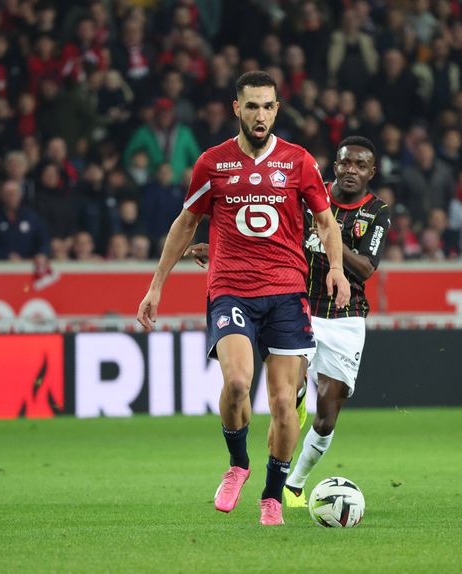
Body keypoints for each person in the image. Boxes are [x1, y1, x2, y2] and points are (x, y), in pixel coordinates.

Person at [136, 71, 350, 526]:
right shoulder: (213, 163)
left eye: (267, 106)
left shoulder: (299, 161)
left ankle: (272, 497)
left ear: (277, 110)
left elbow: (326, 221)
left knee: (284, 403)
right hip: (231, 289)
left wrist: (335, 267)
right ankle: (238, 464)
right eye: (251, 106)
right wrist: (157, 285)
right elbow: (186, 223)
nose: (260, 115)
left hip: (287, 293)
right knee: (236, 383)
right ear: (237, 108)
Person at [187, 136, 390, 509]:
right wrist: (217, 250)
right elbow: (270, 236)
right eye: (345, 163)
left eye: (360, 165)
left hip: (345, 317)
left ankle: (295, 483)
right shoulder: (308, 192)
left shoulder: (377, 212)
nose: (351, 170)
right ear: (335, 166)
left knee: (326, 417)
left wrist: (329, 238)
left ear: (371, 172)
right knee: (287, 391)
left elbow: (365, 268)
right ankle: (282, 450)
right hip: (299, 304)